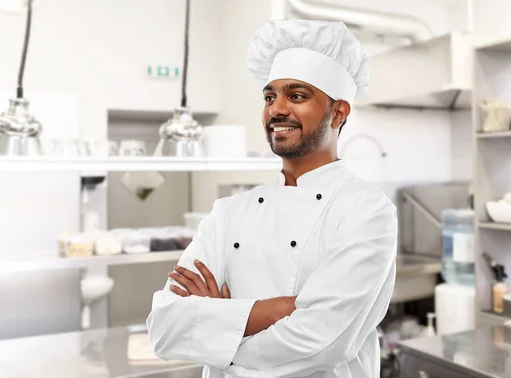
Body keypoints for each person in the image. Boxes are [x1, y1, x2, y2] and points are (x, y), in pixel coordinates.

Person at [146, 19, 397, 378]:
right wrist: (278, 309)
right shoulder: (229, 212)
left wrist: (219, 332)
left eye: (296, 96)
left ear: (339, 112)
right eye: (269, 97)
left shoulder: (366, 211)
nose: (276, 109)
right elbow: (165, 326)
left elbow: (323, 342)